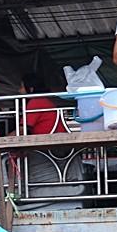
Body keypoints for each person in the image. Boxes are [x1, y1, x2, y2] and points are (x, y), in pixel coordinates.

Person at [19, 73, 84, 210]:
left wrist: (3, 137)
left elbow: (23, 129)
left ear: (30, 89)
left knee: (12, 156)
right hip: (59, 147)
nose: (19, 91)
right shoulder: (46, 101)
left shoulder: (35, 101)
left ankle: (18, 194)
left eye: (21, 87)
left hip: (51, 149)